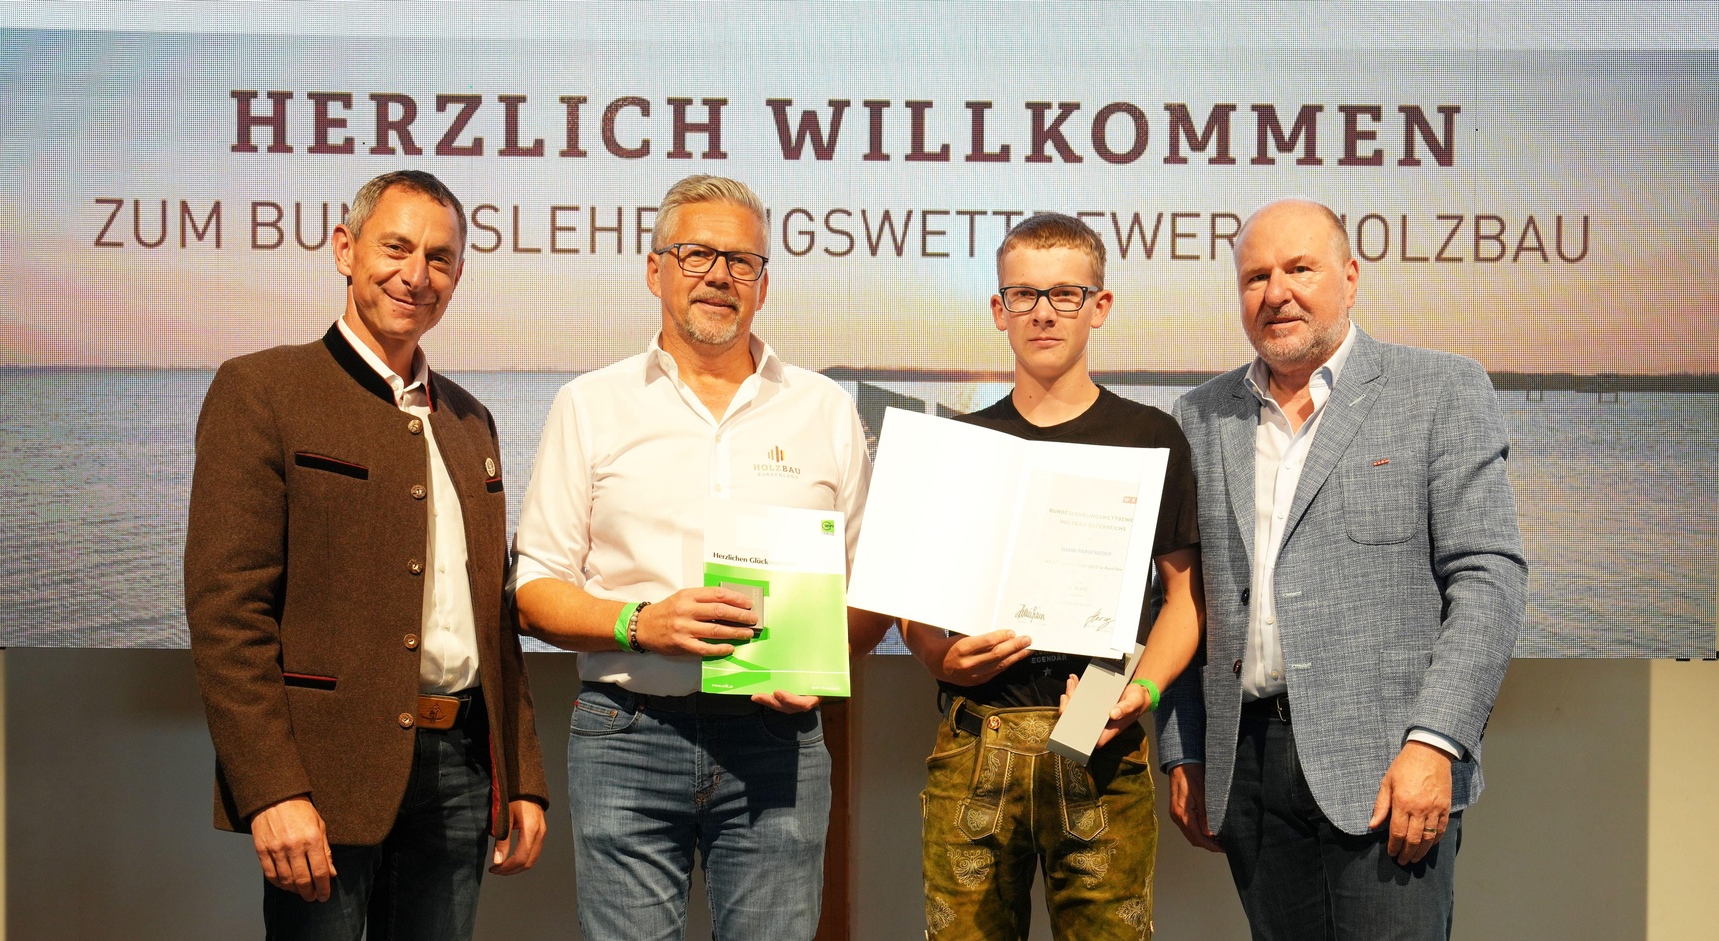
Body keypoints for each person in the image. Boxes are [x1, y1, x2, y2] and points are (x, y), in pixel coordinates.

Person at [511, 174, 887, 941]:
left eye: (741, 261)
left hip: (776, 743)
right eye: (695, 254)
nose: (719, 274)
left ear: (764, 284)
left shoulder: (823, 409)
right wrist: (641, 622)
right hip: (626, 732)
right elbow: (535, 589)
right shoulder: (590, 404)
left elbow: (871, 590)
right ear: (655, 271)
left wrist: (810, 659)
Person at [186, 170, 548, 940]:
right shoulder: (261, 389)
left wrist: (522, 776)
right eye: (396, 247)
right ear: (345, 250)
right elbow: (227, 614)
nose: (417, 275)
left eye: (441, 258)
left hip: (459, 772)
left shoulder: (469, 419)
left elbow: (493, 615)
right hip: (322, 777)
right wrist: (269, 789)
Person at [1156, 198, 1528, 941]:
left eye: (1300, 268)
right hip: (1248, 769)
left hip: (1392, 765)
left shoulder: (1442, 390)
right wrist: (1184, 747)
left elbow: (1489, 577)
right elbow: (1179, 594)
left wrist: (1436, 742)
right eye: (1256, 275)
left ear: (1350, 278)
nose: (1277, 291)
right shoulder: (1198, 414)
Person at [902, 213, 1205, 941]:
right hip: (978, 731)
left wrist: (1147, 690)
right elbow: (915, 611)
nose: (1044, 311)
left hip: (1097, 724)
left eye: (1066, 293)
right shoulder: (959, 444)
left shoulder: (1151, 435)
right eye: (1025, 294)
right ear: (998, 310)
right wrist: (939, 655)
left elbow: (1185, 601)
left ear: (1099, 306)